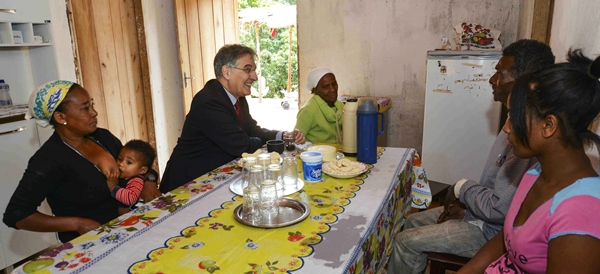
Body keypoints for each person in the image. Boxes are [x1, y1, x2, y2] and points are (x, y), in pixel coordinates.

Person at [387, 39, 555, 273]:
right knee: (410, 221)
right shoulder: (514, 121)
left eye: (499, 73)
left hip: (489, 232)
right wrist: (467, 207)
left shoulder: (529, 140)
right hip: (480, 217)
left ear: (523, 81)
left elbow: (499, 210)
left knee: (405, 242)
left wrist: (462, 188)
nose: (492, 80)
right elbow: (495, 194)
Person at [459, 49, 600, 273]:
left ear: (549, 126)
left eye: (514, 119)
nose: (506, 128)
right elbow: (509, 237)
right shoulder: (536, 173)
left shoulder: (582, 213)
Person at [2, 80, 160, 243]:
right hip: (89, 242)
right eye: (85, 108)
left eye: (92, 105)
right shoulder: (49, 159)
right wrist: (77, 224)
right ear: (60, 117)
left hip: (127, 227)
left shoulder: (103, 137)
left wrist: (149, 181)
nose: (94, 112)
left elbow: (138, 166)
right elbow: (16, 214)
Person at [160, 44, 306, 193]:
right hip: (188, 183)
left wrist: (283, 136)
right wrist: (263, 143)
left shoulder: (237, 97)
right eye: (248, 69)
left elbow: (252, 130)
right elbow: (243, 146)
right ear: (227, 72)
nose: (254, 77)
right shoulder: (209, 101)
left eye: (254, 70)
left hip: (214, 176)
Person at [294, 67, 345, 144]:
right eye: (326, 86)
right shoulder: (308, 110)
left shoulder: (341, 106)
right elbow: (296, 140)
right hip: (315, 154)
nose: (332, 89)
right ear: (315, 90)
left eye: (334, 84)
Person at [106, 139, 156, 215]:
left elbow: (131, 199)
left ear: (142, 170)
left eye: (129, 162)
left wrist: (113, 187)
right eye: (119, 159)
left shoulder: (136, 181)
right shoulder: (125, 177)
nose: (121, 164)